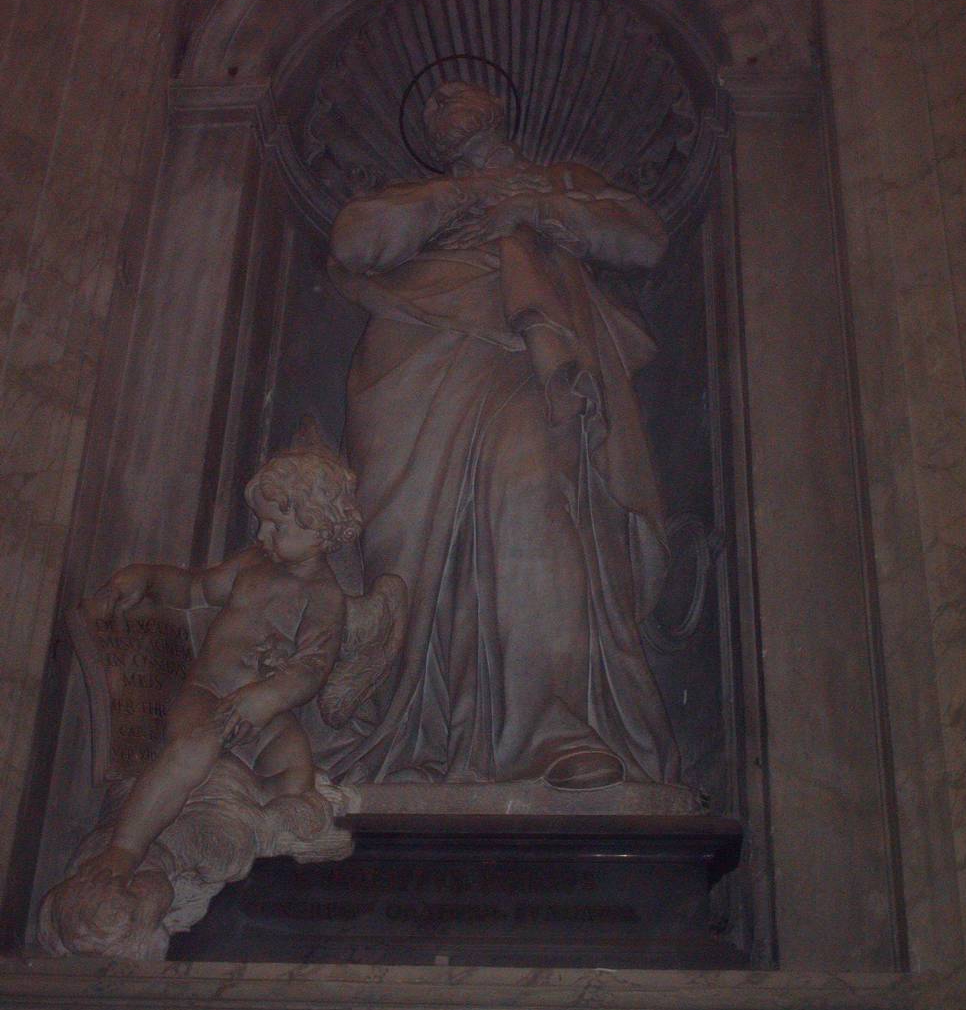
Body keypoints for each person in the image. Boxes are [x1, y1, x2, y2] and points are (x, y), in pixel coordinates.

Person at [325, 81, 682, 790]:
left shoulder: (561, 182)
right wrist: (462, 197)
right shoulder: (418, 196)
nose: (437, 104)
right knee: (404, 546)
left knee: (533, 502)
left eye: (453, 94)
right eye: (428, 104)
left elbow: (644, 240)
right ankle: (424, 734)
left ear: (495, 108)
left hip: (529, 359)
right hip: (416, 368)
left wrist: (540, 208)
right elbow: (356, 241)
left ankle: (550, 728)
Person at [79, 443, 399, 882]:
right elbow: (195, 590)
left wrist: (265, 699)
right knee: (194, 747)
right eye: (261, 523)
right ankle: (125, 848)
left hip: (264, 715)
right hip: (209, 695)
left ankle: (248, 819)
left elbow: (312, 667)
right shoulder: (253, 564)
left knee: (297, 771)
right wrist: (146, 579)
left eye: (276, 526)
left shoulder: (324, 598)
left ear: (320, 529)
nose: (262, 535)